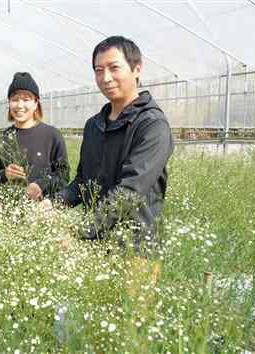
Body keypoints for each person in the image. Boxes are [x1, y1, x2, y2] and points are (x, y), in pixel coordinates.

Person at [55, 35, 174, 248]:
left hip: (134, 249)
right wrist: (55, 203)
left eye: (114, 68)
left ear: (137, 69)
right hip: (92, 244)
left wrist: (81, 232)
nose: (106, 78)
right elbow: (84, 181)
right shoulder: (94, 125)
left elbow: (130, 191)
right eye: (99, 71)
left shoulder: (152, 125)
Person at [0, 72, 70, 200]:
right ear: (9, 103)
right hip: (8, 213)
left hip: (43, 213)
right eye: (14, 99)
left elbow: (63, 175)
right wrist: (5, 175)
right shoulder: (0, 140)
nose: (20, 105)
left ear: (36, 103)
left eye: (26, 99)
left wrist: (41, 185)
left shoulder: (52, 136)